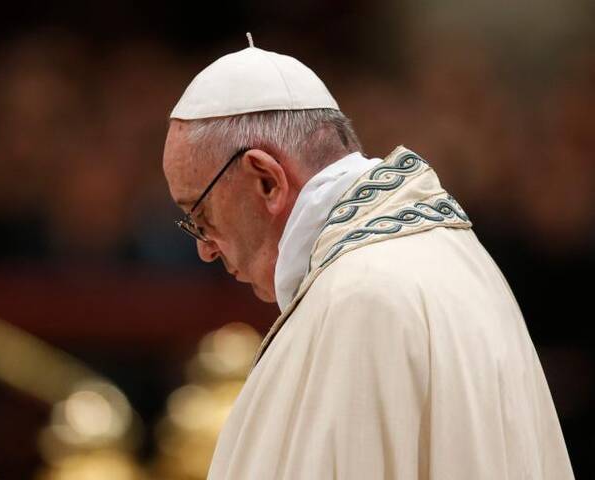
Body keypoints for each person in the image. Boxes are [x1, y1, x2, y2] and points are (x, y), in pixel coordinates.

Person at [161, 35, 574, 480]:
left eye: (200, 214)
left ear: (266, 181)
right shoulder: (453, 255)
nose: (204, 248)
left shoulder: (359, 299)